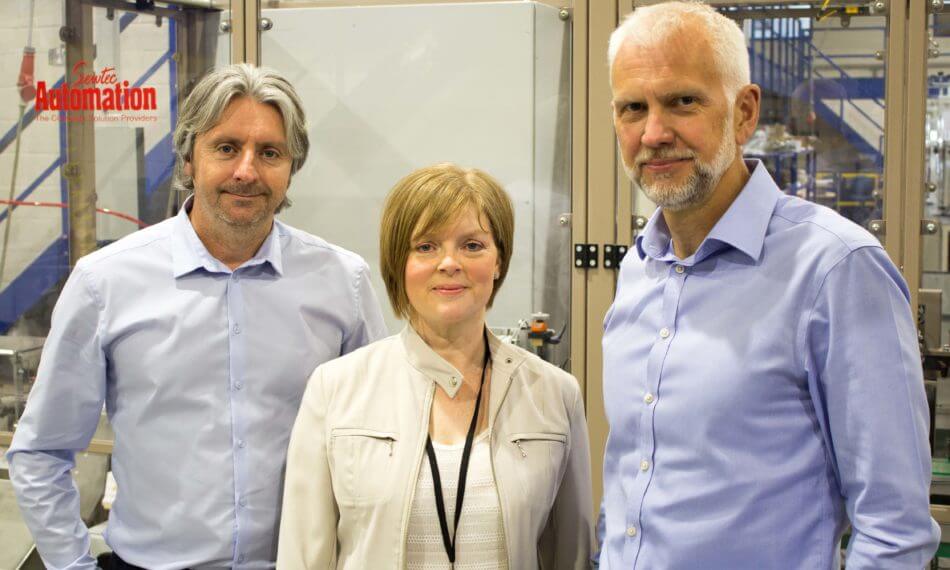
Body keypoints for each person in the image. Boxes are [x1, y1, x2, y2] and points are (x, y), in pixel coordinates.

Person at [598, 2, 940, 568]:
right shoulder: (640, 267)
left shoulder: (835, 269)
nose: (654, 133)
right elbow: (630, 490)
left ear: (743, 112)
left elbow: (894, 531)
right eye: (633, 108)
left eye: (683, 101)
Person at [6, 63, 388, 570]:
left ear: (291, 166)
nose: (247, 171)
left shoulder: (344, 282)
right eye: (226, 147)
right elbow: (41, 453)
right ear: (189, 158)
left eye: (269, 152)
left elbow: (386, 445)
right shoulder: (105, 282)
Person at [277, 163, 593, 569]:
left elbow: (573, 555)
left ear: (499, 261)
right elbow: (303, 557)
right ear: (398, 263)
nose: (449, 262)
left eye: (472, 245)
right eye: (426, 246)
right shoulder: (335, 388)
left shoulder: (555, 394)